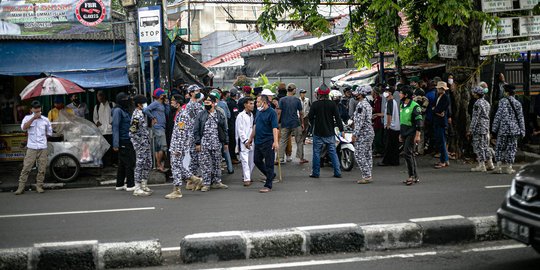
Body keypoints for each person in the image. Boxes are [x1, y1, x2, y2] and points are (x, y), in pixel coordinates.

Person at [166, 94, 202, 199]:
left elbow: (181, 133)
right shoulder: (180, 114)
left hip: (178, 146)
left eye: (173, 102)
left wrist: (178, 148)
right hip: (177, 145)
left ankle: (177, 190)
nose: (171, 104)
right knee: (178, 167)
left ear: (178, 104)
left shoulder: (182, 115)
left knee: (176, 167)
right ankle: (195, 179)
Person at [15, 100, 52, 195]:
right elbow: (23, 128)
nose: (37, 112)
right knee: (26, 167)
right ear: (31, 110)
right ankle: (21, 187)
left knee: (42, 168)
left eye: (39, 111)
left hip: (42, 147)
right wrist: (33, 119)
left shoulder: (45, 120)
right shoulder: (27, 118)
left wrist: (43, 141)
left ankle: (39, 186)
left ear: (41, 109)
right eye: (35, 111)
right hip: (31, 148)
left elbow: (48, 133)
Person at [193, 95, 229, 192]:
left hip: (216, 143)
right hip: (204, 143)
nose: (206, 104)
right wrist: (197, 143)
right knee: (205, 164)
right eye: (205, 102)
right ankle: (206, 183)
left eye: (208, 102)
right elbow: (196, 129)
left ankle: (217, 182)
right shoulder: (201, 115)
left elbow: (225, 129)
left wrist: (226, 142)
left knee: (217, 163)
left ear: (213, 103)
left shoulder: (219, 114)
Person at [308, 84, 344, 178]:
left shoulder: (315, 104)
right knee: (332, 152)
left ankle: (316, 173)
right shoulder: (332, 104)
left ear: (319, 94)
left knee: (316, 153)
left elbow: (310, 117)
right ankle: (337, 172)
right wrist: (341, 130)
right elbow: (338, 118)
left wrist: (313, 124)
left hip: (318, 132)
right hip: (329, 132)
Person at [247, 94, 279, 193]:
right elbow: (255, 126)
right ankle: (270, 175)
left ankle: (268, 185)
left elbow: (275, 128)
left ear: (264, 102)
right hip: (258, 141)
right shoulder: (259, 112)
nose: (256, 104)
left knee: (269, 164)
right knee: (256, 160)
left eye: (258, 102)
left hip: (268, 141)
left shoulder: (272, 113)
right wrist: (250, 139)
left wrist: (276, 142)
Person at [492, 84, 525, 174]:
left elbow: (498, 116)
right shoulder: (518, 103)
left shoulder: (502, 102)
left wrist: (494, 129)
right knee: (512, 148)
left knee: (499, 147)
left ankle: (498, 167)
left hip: (503, 129)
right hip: (514, 129)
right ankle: (509, 168)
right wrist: (523, 131)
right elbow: (521, 118)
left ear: (506, 92)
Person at [130, 95, 153, 196]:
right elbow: (132, 132)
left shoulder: (142, 113)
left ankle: (144, 184)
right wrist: (139, 144)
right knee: (139, 165)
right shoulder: (136, 116)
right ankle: (137, 187)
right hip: (140, 145)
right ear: (139, 105)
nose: (145, 105)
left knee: (148, 162)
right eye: (144, 103)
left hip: (145, 144)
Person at [112, 92, 136, 191]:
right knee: (129, 163)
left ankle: (119, 184)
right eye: (125, 100)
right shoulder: (118, 111)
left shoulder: (124, 110)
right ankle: (130, 185)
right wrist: (116, 144)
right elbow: (115, 127)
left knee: (122, 163)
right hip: (124, 140)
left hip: (127, 139)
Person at [399, 86, 423, 185]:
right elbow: (402, 119)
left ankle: (411, 176)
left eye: (401, 93)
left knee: (407, 153)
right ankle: (415, 176)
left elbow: (419, 122)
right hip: (404, 132)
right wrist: (400, 133)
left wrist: (418, 135)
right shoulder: (401, 105)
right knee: (410, 153)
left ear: (406, 95)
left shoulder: (415, 106)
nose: (399, 95)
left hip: (412, 132)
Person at [143, 88, 170, 173]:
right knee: (163, 146)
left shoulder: (162, 104)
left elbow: (167, 112)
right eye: (162, 94)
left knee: (158, 147)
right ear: (159, 95)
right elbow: (146, 110)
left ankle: (159, 165)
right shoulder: (155, 103)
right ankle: (159, 165)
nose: (164, 95)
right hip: (158, 127)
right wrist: (153, 117)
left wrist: (167, 104)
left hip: (162, 126)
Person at [468, 86, 494, 172]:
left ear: (477, 94)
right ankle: (490, 163)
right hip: (486, 126)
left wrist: (470, 130)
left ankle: (481, 165)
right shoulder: (486, 103)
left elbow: (475, 118)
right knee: (485, 146)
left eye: (474, 93)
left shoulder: (477, 104)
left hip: (479, 127)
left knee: (478, 146)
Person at [278, 83, 304, 164]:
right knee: (299, 141)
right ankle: (301, 158)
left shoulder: (282, 100)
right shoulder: (297, 100)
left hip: (285, 123)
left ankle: (280, 158)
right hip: (295, 123)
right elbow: (301, 113)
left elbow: (279, 112)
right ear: (294, 90)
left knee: (282, 141)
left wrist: (276, 123)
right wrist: (302, 123)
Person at [352, 86, 374, 184]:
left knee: (358, 154)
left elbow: (360, 121)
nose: (355, 95)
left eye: (356, 94)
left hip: (363, 133)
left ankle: (366, 175)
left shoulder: (361, 105)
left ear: (360, 95)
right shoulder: (367, 104)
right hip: (369, 132)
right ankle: (368, 174)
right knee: (367, 154)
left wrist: (354, 134)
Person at [378, 86, 401, 166]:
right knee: (394, 145)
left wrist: (388, 124)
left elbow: (389, 114)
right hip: (396, 127)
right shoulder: (393, 102)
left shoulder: (390, 102)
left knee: (388, 145)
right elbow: (386, 113)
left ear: (390, 93)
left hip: (391, 126)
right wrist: (378, 114)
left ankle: (386, 161)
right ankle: (394, 161)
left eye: (386, 91)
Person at [236, 97, 255, 186]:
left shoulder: (251, 115)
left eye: (253, 103)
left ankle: (247, 176)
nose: (252, 105)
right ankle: (247, 179)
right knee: (245, 160)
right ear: (245, 105)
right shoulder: (241, 116)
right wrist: (245, 141)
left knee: (252, 160)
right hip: (244, 141)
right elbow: (240, 130)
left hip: (251, 140)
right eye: (250, 103)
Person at [93, 91, 115, 166]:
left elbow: (115, 116)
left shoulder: (112, 104)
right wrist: (98, 123)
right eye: (98, 96)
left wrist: (111, 123)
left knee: (111, 147)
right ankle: (105, 163)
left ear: (104, 96)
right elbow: (95, 118)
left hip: (110, 130)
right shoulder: (97, 106)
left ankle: (112, 163)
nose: (99, 97)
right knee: (103, 147)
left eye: (101, 95)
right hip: (101, 131)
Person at [433, 81, 450, 169]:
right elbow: (435, 109)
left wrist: (436, 111)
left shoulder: (445, 98)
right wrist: (436, 111)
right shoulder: (438, 97)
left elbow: (440, 110)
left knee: (442, 141)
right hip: (438, 120)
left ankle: (443, 160)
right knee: (440, 141)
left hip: (441, 122)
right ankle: (445, 159)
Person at [226, 89, 240, 164]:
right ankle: (233, 157)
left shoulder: (227, 102)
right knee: (233, 142)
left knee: (230, 142)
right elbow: (236, 114)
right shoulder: (233, 104)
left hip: (229, 124)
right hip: (233, 124)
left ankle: (231, 157)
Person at [298, 89, 311, 161]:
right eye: (302, 93)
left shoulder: (307, 100)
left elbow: (310, 106)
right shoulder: (298, 100)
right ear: (300, 94)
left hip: (306, 116)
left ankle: (303, 140)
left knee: (306, 129)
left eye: (304, 93)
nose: (303, 94)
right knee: (301, 128)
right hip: (299, 116)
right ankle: (301, 139)